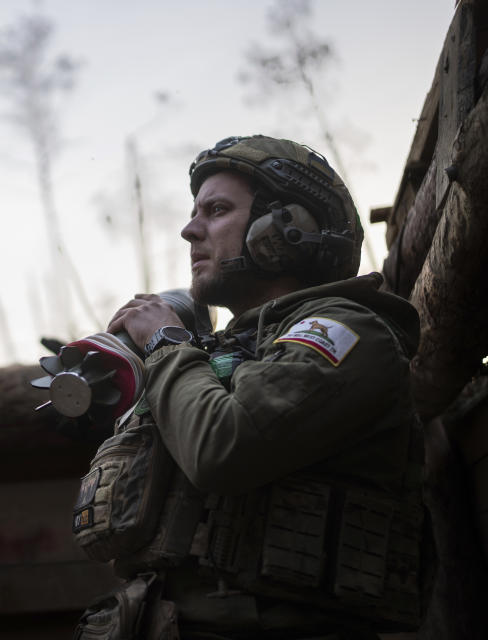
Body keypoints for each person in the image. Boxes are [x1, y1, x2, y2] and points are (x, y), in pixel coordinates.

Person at [73, 136, 423, 639]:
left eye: (215, 210)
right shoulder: (217, 353)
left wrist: (166, 343)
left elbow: (223, 445)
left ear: (288, 229)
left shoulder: (348, 331)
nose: (190, 230)